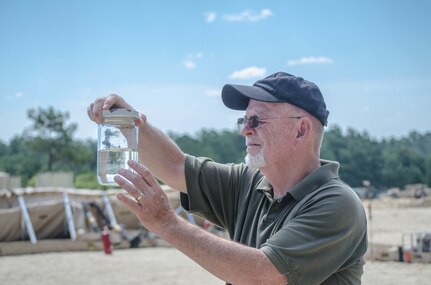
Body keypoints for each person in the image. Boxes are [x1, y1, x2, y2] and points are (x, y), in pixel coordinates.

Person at [87, 72, 368, 285]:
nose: (245, 130)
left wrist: (167, 223)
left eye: (256, 120)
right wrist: (132, 122)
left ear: (301, 130)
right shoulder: (249, 182)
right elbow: (175, 166)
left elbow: (264, 276)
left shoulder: (337, 203)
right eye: (243, 121)